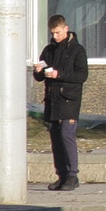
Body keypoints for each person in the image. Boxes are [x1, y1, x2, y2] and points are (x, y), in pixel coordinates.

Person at [33, 14, 88, 190]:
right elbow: (39, 77)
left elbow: (82, 75)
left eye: (58, 32)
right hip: (53, 99)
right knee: (56, 138)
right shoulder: (49, 50)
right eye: (52, 33)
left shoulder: (77, 50)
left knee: (66, 135)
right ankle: (62, 175)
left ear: (66, 28)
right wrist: (39, 70)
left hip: (69, 100)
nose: (55, 36)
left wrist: (59, 74)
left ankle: (72, 175)